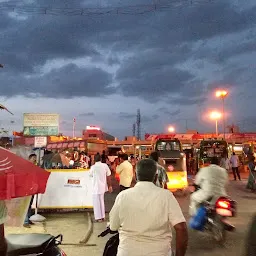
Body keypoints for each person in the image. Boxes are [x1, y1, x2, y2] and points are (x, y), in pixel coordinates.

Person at [109, 159, 188, 256]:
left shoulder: (123, 196)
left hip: (127, 252)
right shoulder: (166, 196)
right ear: (155, 178)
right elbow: (181, 228)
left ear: (135, 176)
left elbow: (113, 226)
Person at [89, 154, 113, 222]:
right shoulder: (105, 166)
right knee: (101, 201)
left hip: (95, 187)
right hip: (103, 186)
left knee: (96, 202)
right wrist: (110, 185)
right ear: (100, 159)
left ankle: (98, 217)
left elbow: (90, 175)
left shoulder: (93, 167)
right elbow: (109, 175)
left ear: (94, 159)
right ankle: (103, 216)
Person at [24, 153, 37, 228]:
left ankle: (28, 219)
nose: (35, 159)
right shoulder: (27, 167)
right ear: (29, 159)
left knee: (30, 205)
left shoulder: (34, 167)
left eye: (35, 158)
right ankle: (25, 221)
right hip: (27, 188)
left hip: (32, 188)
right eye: (34, 158)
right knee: (26, 205)